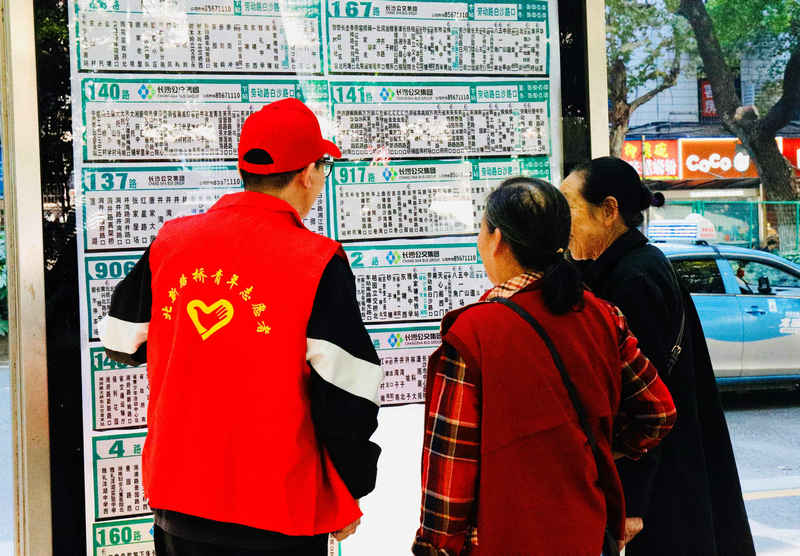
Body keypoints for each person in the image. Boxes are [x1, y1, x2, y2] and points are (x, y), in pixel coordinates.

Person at [100, 97, 384, 556]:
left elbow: (119, 341)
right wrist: (350, 485)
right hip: (279, 509)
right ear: (308, 174)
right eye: (324, 168)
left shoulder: (171, 242)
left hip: (180, 501)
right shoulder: (318, 261)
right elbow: (347, 396)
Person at [411, 177, 677, 556]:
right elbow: (658, 413)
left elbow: (451, 465)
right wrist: (598, 447)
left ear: (497, 239)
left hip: (504, 538)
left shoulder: (472, 334)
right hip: (587, 533)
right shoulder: (603, 316)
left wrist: (435, 547)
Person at [562, 156, 756, 556]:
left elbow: (643, 404)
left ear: (609, 210)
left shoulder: (633, 280)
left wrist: (632, 502)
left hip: (662, 485)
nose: (563, 223)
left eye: (570, 208)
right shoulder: (638, 264)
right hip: (676, 468)